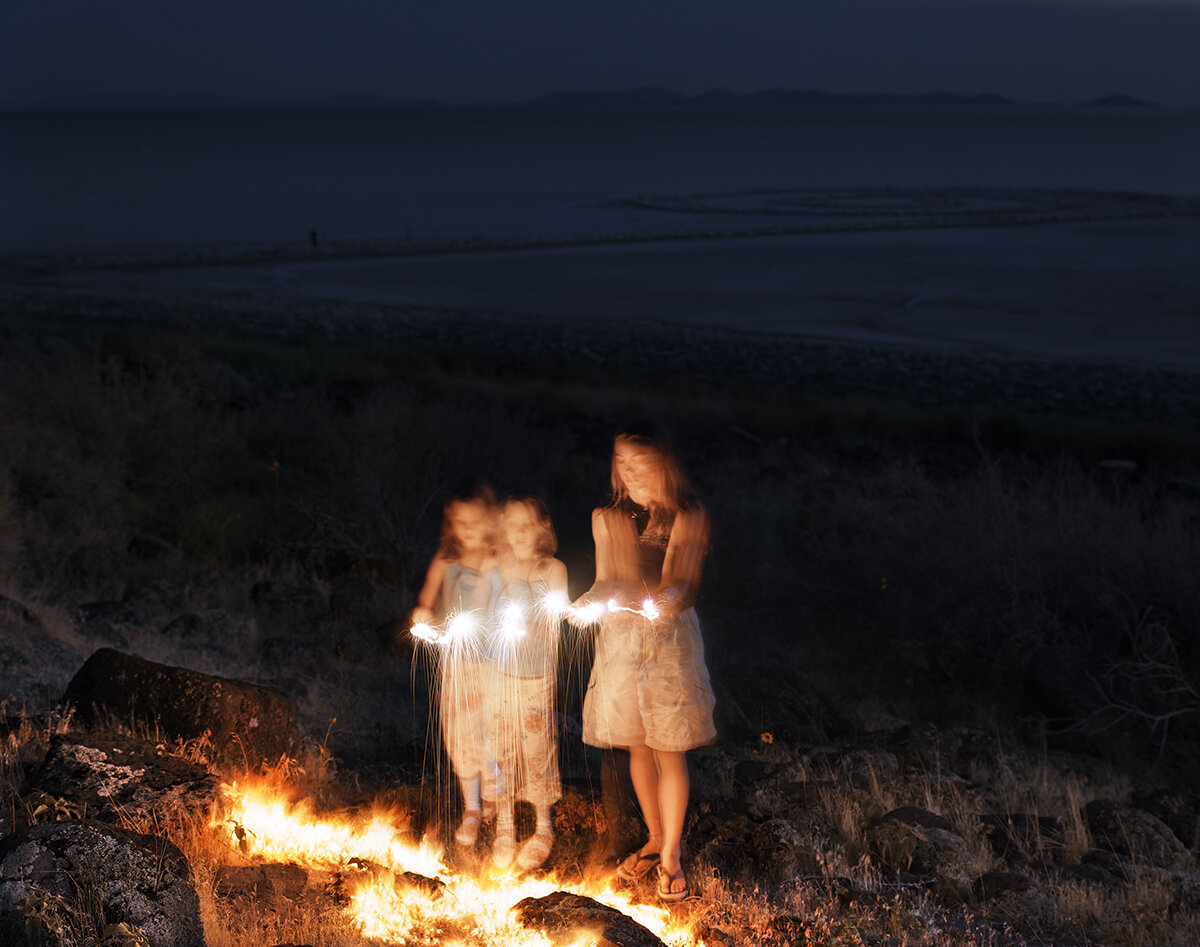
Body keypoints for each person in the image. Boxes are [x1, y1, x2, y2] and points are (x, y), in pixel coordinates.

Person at [574, 423, 716, 903]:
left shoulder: (687, 514)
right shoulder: (608, 515)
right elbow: (606, 579)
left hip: (668, 642)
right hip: (620, 641)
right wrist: (587, 604)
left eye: (640, 462)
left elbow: (682, 582)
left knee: (666, 746)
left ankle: (672, 855)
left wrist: (663, 602)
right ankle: (654, 838)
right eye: (621, 461)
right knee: (636, 745)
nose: (629, 471)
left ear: (663, 463)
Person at [410, 479, 502, 849]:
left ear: (489, 521)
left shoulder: (498, 561)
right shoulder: (446, 559)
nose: (467, 530)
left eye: (475, 521)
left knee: (489, 727)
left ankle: (496, 785)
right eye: (460, 522)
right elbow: (426, 601)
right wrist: (423, 616)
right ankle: (472, 807)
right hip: (457, 661)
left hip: (493, 661)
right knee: (459, 732)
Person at [484, 495, 567, 870]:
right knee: (501, 747)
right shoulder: (497, 567)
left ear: (542, 529)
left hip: (536, 675)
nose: (518, 532)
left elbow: (556, 621)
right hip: (499, 674)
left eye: (526, 523)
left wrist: (530, 626)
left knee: (537, 747)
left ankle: (543, 826)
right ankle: (505, 825)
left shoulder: (553, 570)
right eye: (511, 523)